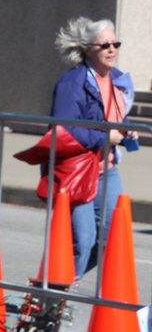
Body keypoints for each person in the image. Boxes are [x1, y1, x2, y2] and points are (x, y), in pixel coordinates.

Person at [52, 16, 136, 281]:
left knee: (114, 238)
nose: (112, 49)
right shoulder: (73, 83)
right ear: (88, 49)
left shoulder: (118, 80)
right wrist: (104, 138)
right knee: (83, 239)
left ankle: (58, 284)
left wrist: (127, 129)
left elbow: (114, 118)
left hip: (106, 169)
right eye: (104, 45)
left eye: (116, 43)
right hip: (77, 171)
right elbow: (63, 129)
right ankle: (53, 298)